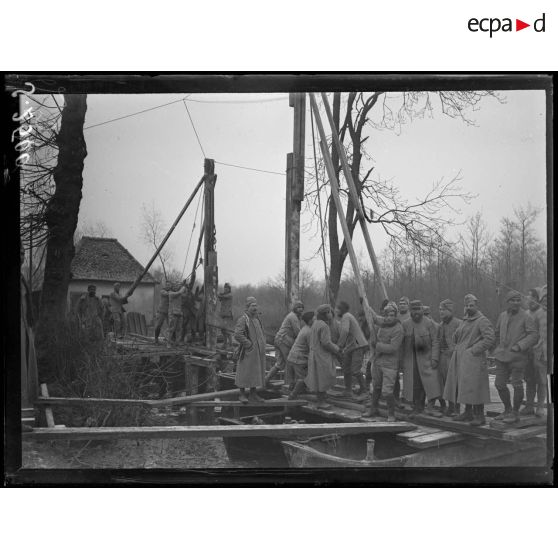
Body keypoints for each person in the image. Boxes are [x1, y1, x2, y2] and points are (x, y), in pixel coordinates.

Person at [443, 294, 495, 425]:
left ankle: (479, 416)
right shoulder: (465, 320)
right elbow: (457, 337)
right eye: (466, 305)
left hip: (474, 359)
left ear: (477, 306)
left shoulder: (482, 320)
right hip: (461, 358)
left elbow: (489, 339)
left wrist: (473, 351)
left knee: (476, 386)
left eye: (471, 305)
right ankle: (467, 412)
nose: (469, 308)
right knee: (463, 386)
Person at [491, 290, 538, 424]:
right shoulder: (502, 316)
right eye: (513, 300)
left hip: (518, 357)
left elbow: (534, 335)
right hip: (501, 356)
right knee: (499, 384)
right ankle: (507, 409)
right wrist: (494, 348)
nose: (516, 303)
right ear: (508, 302)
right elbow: (496, 332)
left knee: (517, 384)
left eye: (518, 300)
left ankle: (515, 413)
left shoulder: (526, 316)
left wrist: (519, 346)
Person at [362, 301, 404, 421]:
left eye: (392, 315)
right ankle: (373, 409)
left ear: (395, 316)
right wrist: (365, 305)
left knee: (387, 391)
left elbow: (393, 348)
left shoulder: (398, 329)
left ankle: (391, 414)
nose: (389, 318)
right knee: (376, 387)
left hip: (390, 364)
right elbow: (374, 318)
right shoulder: (384, 323)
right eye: (387, 315)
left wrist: (377, 345)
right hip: (378, 361)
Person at [400, 299, 441, 417]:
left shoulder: (430, 323)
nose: (416, 312)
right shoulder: (405, 324)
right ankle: (417, 408)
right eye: (413, 309)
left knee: (431, 384)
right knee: (415, 385)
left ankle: (431, 407)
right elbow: (401, 344)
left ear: (422, 310)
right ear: (410, 310)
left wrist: (435, 358)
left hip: (427, 359)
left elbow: (435, 342)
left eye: (418, 309)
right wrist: (401, 361)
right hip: (411, 361)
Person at [305, 304, 341, 409]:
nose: (331, 314)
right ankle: (321, 402)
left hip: (314, 354)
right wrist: (337, 349)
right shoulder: (324, 326)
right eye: (330, 312)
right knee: (324, 377)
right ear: (326, 314)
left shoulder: (315, 323)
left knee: (317, 378)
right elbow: (326, 343)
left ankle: (320, 400)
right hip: (322, 355)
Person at [234, 297, 267, 403]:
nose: (255, 308)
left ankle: (253, 394)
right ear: (247, 307)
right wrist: (248, 345)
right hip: (247, 352)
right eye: (253, 306)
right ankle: (242, 395)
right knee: (244, 373)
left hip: (257, 352)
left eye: (256, 305)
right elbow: (238, 334)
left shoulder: (257, 319)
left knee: (255, 373)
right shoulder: (243, 319)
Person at [265, 300, 304, 387]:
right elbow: (298, 332)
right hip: (283, 340)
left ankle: (266, 380)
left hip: (280, 340)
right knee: (290, 361)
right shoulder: (293, 317)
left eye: (301, 307)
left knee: (280, 363)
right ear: (295, 308)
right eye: (298, 307)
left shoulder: (295, 317)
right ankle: (290, 384)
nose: (300, 309)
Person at [336, 301, 368, 399]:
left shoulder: (346, 316)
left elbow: (345, 331)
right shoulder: (345, 318)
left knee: (355, 370)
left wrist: (339, 346)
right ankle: (348, 390)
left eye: (338, 308)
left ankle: (365, 391)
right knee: (346, 368)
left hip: (357, 346)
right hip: (351, 346)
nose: (337, 310)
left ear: (343, 310)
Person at [437, 299, 462, 416]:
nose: (441, 312)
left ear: (450, 311)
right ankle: (450, 407)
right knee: (445, 383)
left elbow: (462, 341)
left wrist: (455, 351)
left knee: (455, 383)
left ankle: (457, 408)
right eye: (440, 309)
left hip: (454, 357)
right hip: (442, 356)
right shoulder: (441, 325)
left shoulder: (459, 323)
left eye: (444, 309)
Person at [286, 310, 315, 400]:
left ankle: (296, 389)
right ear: (310, 321)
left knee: (296, 378)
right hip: (298, 358)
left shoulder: (305, 328)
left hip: (292, 356)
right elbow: (312, 348)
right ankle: (293, 395)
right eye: (315, 318)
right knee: (303, 377)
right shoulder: (309, 331)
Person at [167, 282, 186, 348]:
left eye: (178, 286)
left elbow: (184, 294)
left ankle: (177, 343)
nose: (177, 287)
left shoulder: (179, 294)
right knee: (171, 329)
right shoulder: (171, 293)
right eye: (176, 286)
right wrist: (183, 287)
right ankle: (168, 343)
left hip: (179, 313)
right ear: (173, 287)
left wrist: (184, 287)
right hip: (173, 314)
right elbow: (179, 293)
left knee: (179, 329)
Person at [218, 282, 234, 349]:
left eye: (227, 288)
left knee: (228, 330)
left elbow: (222, 296)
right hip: (223, 314)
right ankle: (225, 344)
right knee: (223, 330)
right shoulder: (224, 295)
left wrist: (218, 293)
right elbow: (220, 298)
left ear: (229, 289)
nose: (225, 289)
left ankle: (231, 345)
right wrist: (219, 294)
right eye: (225, 288)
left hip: (228, 315)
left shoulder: (230, 295)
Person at [154, 280, 171, 344]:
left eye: (169, 285)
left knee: (171, 326)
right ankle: (156, 339)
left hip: (169, 312)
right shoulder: (162, 291)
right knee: (158, 325)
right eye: (167, 285)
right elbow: (167, 294)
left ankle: (169, 339)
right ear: (165, 285)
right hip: (161, 311)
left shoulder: (171, 292)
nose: (168, 286)